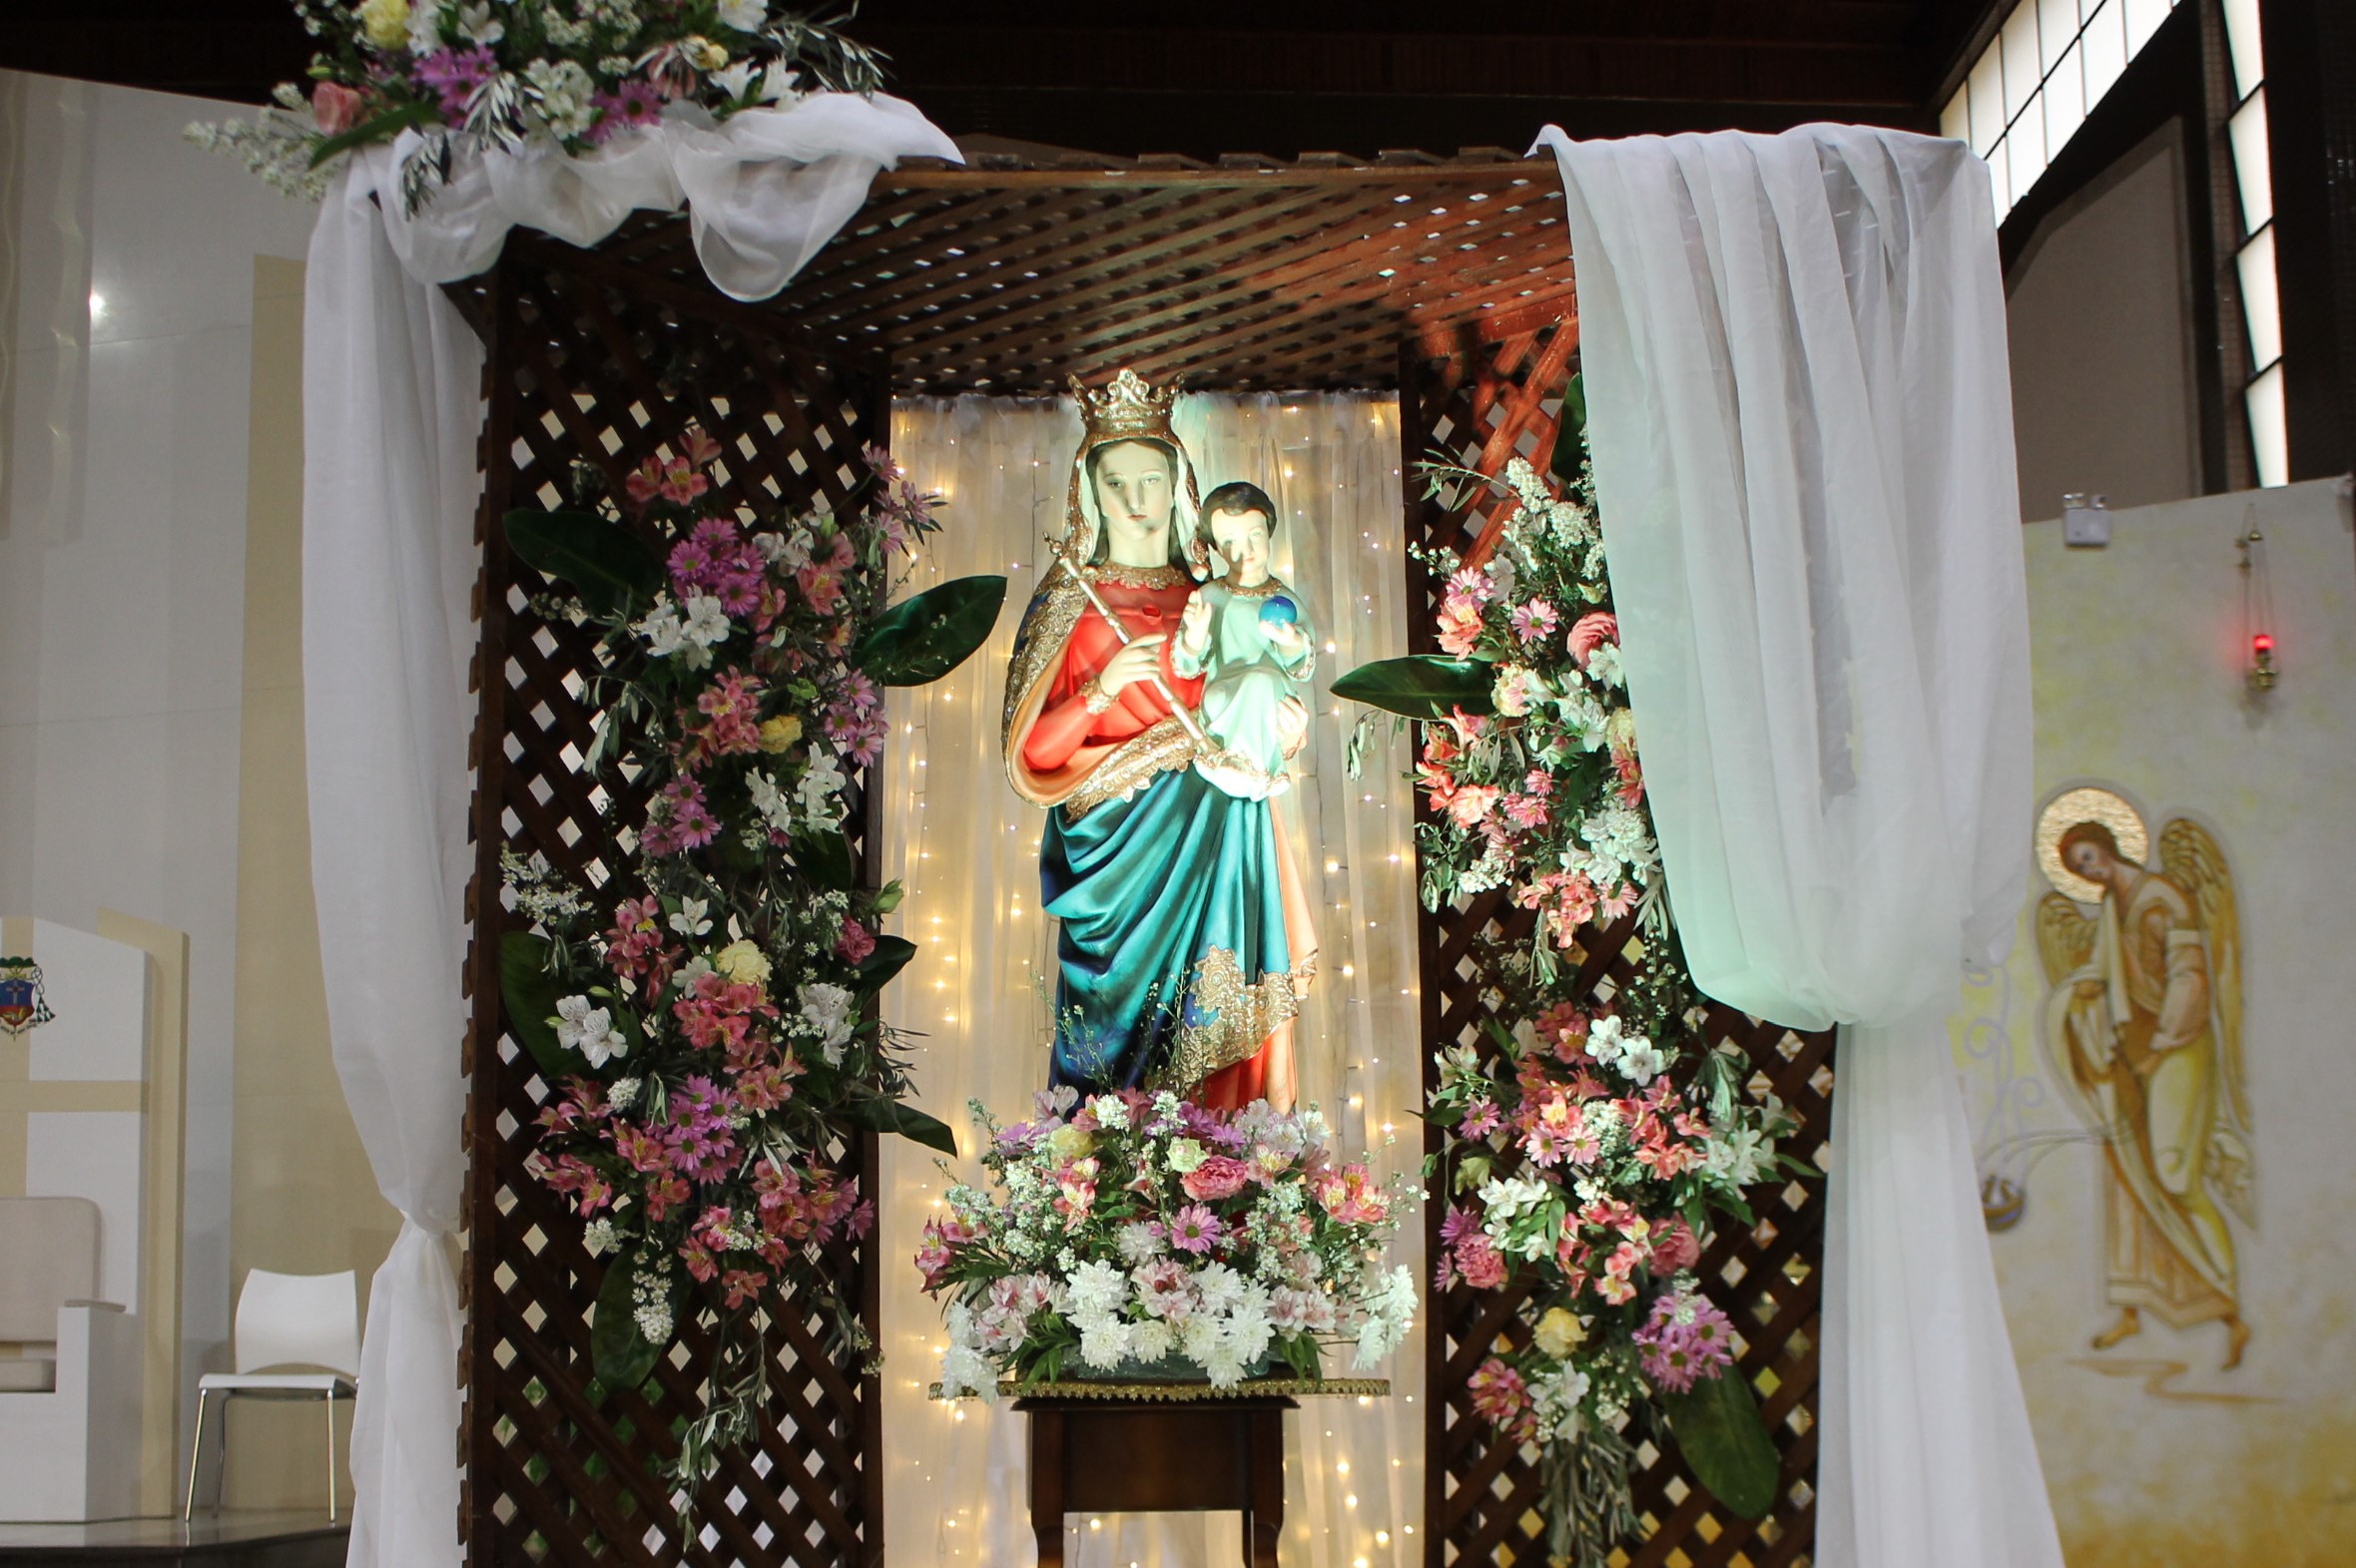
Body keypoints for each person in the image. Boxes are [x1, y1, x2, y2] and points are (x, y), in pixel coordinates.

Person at [1001, 371, 1315, 1109]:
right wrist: (1102, 688)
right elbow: (1032, 756)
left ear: (1179, 487)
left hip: (1215, 826)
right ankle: (1100, 1160)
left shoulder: (1213, 595)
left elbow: (1247, 695)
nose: (1137, 501)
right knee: (1107, 1040)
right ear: (1090, 493)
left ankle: (1222, 1160)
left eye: (1153, 481)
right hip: (1113, 854)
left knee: (1216, 1018)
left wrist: (1285, 728)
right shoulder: (1068, 602)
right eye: (1118, 484)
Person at [2037, 817, 2252, 1368]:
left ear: (2108, 847)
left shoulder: (2163, 898)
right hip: (2131, 1052)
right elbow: (2109, 973)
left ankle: (2232, 1310)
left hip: (2179, 1047)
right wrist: (2088, 989)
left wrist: (2162, 1042)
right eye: (2078, 867)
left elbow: (2190, 977)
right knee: (2127, 1178)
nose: (2088, 870)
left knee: (2177, 1176)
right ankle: (2132, 1311)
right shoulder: (2112, 908)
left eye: (2089, 857)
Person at [1172, 481, 1316, 800]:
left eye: (1254, 535)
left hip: (1272, 699)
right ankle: (1246, 771)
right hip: (1225, 698)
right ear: (1217, 547)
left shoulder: (1283, 599)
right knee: (1241, 689)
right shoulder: (1211, 597)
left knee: (1261, 682)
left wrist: (1291, 641)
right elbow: (1186, 666)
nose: (1245, 550)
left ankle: (1253, 772)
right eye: (1230, 541)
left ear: (1269, 531)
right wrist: (1194, 637)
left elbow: (1303, 666)